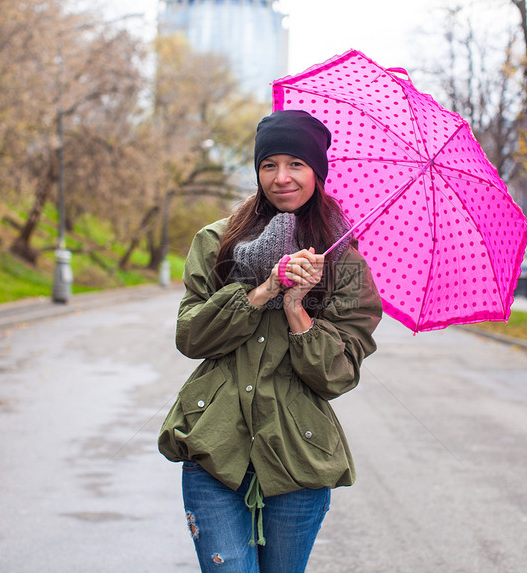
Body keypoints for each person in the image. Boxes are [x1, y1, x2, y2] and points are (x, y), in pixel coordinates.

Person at [158, 109, 383, 573]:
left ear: (317, 171)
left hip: (299, 454)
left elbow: (337, 376)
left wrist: (298, 309)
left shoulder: (343, 259)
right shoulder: (216, 241)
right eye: (269, 165)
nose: (281, 178)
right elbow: (191, 335)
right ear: (257, 171)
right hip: (215, 446)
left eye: (296, 164)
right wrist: (262, 291)